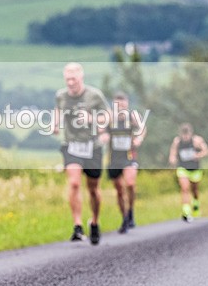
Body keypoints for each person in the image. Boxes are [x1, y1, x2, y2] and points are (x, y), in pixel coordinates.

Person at [52, 63, 110, 245]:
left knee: (93, 189)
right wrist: (54, 124)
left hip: (92, 147)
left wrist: (92, 119)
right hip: (71, 146)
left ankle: (94, 221)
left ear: (81, 78)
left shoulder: (94, 95)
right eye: (67, 79)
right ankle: (77, 225)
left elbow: (108, 117)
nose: (70, 83)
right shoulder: (61, 96)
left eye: (73, 79)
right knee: (75, 183)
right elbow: (57, 110)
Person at [106, 92, 146, 233]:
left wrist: (139, 139)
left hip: (129, 157)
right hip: (114, 158)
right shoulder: (109, 118)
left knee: (130, 184)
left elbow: (142, 128)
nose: (120, 107)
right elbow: (100, 131)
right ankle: (124, 218)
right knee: (119, 190)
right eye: (118, 105)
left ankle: (131, 212)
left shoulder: (132, 116)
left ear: (127, 104)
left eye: (123, 105)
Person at [168, 123, 208, 222]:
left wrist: (198, 155)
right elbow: (172, 153)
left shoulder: (197, 140)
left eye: (187, 134)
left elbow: (206, 150)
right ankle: (186, 211)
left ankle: (196, 203)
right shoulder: (177, 141)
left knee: (194, 189)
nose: (185, 137)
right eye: (183, 134)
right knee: (184, 188)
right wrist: (172, 159)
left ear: (191, 134)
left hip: (195, 169)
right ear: (180, 134)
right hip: (183, 168)